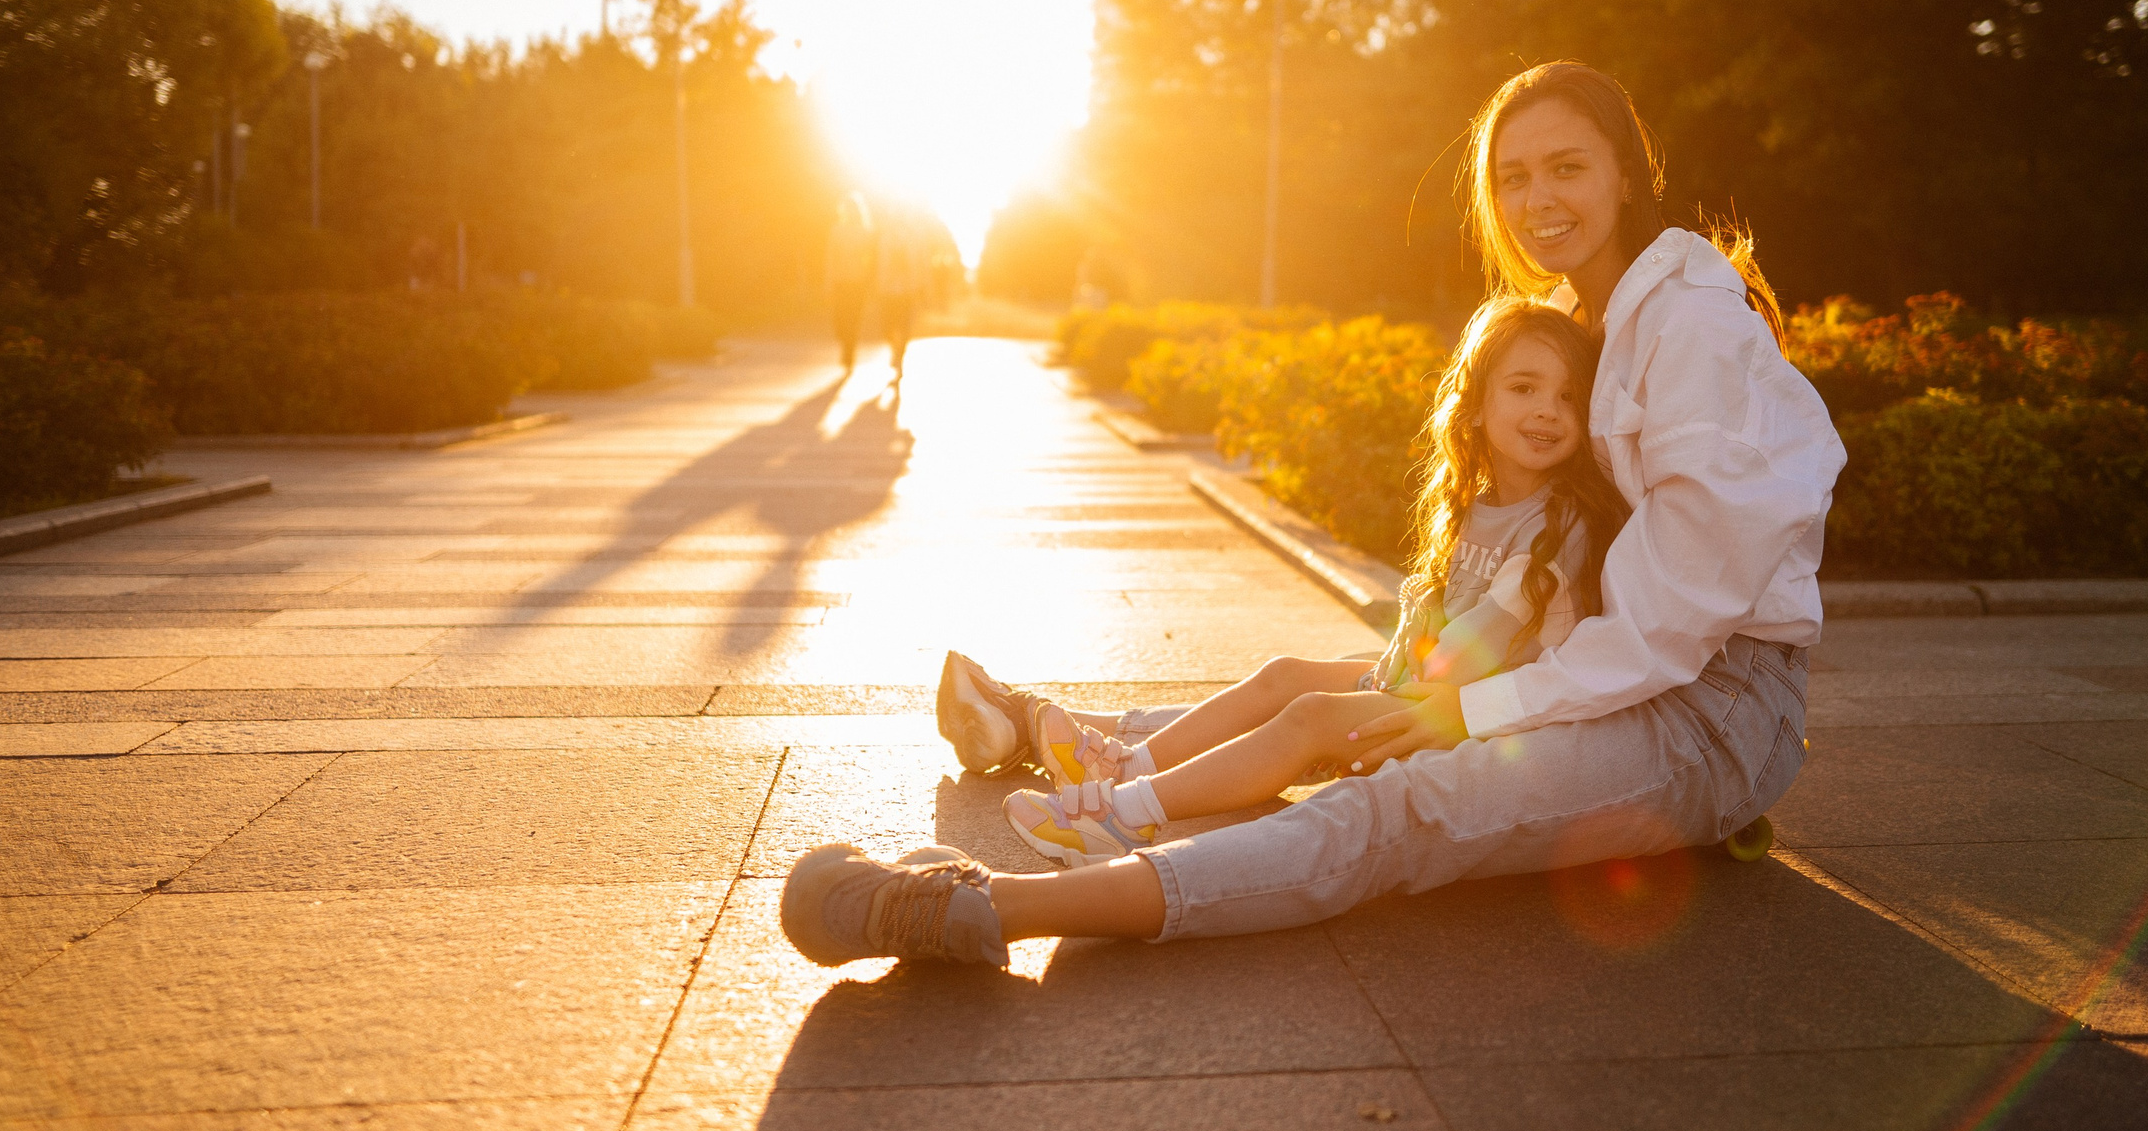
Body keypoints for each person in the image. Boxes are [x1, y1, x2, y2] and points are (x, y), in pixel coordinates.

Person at [782, 59, 1845, 969]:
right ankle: (1063, 737)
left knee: (1397, 806)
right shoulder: (1589, 317)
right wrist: (1442, 680)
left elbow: (1670, 631)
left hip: (1705, 716)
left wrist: (1461, 714)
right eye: (1513, 177)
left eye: (1566, 167)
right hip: (1600, 658)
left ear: (1628, 175)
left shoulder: (1689, 331)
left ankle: (985, 909)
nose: (1537, 199)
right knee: (1324, 690)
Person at [994, 299, 1626, 867]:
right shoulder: (1476, 502)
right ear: (1479, 402)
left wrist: (1381, 687)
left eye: (1570, 397)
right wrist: (1390, 669)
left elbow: (1471, 650)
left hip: (1477, 722)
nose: (1549, 409)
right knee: (1286, 673)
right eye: (1524, 388)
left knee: (1311, 717)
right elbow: (1430, 620)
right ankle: (1132, 766)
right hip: (1423, 689)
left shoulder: (1559, 524)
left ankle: (1120, 817)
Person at [870, 201, 927, 380]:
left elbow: (921, 264)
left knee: (904, 326)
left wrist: (921, 286)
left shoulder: (914, 238)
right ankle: (895, 350)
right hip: (887, 289)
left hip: (907, 289)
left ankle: (899, 357)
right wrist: (877, 285)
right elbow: (878, 263)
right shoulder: (884, 238)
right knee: (887, 326)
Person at [826, 194, 874, 372]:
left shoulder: (866, 232)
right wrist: (829, 281)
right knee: (840, 318)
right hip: (840, 280)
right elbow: (830, 258)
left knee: (853, 319)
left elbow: (870, 259)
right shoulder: (836, 230)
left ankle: (849, 354)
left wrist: (869, 279)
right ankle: (845, 345)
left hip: (857, 281)